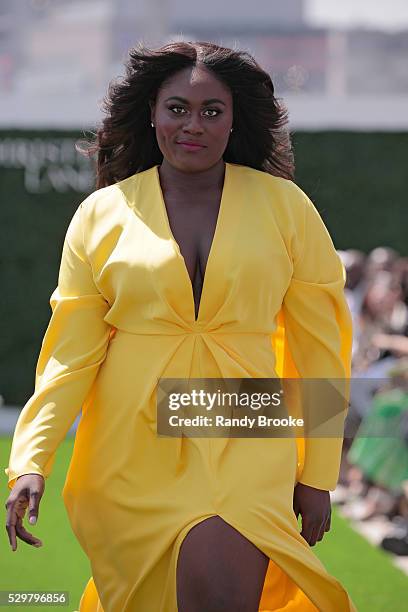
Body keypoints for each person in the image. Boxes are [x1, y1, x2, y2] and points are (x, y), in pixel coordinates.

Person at [4, 41, 356, 611]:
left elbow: (322, 348)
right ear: (151, 111)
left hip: (245, 420)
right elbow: (70, 355)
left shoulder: (287, 208)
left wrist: (319, 472)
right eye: (177, 108)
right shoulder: (100, 215)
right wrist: (31, 460)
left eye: (212, 111)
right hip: (128, 445)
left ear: (235, 119)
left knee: (223, 593)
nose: (192, 124)